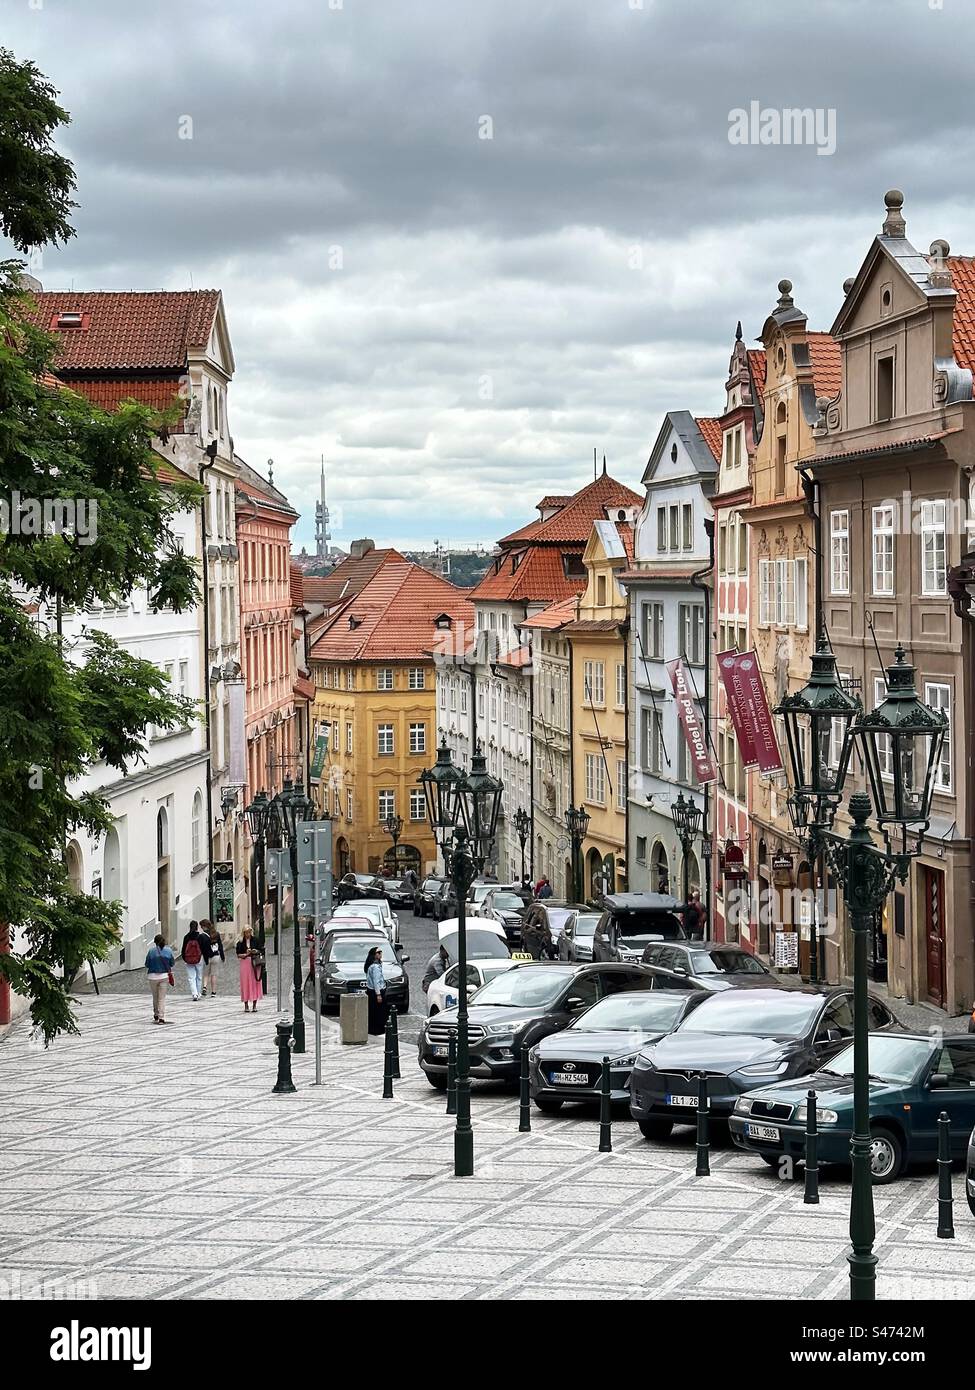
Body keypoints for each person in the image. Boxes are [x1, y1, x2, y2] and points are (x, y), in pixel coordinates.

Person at [145, 933, 175, 1025]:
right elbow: (172, 963)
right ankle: (161, 1017)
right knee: (162, 998)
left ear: (155, 942)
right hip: (164, 976)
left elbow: (147, 964)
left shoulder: (151, 951)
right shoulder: (169, 951)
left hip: (152, 976)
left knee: (155, 997)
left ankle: (156, 1014)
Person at [236, 926, 262, 1013]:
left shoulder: (255, 940)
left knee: (255, 982)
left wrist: (255, 951)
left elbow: (261, 950)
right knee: (245, 983)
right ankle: (246, 1005)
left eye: (249, 932)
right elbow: (238, 954)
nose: (248, 934)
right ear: (243, 933)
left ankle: (254, 1005)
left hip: (254, 963)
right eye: (246, 932)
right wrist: (245, 954)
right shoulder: (240, 942)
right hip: (245, 963)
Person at [364, 945, 388, 1035]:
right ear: (374, 955)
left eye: (380, 952)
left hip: (371, 991)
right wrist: (378, 994)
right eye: (378, 952)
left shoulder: (371, 966)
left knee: (373, 1011)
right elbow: (376, 981)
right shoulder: (375, 967)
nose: (380, 954)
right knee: (379, 1012)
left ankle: (372, 1029)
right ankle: (378, 1029)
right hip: (377, 992)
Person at [180, 920, 206, 1000]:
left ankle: (194, 994)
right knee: (199, 976)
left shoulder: (186, 937)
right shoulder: (200, 936)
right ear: (197, 927)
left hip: (189, 959)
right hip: (199, 958)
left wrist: (185, 958)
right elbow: (203, 948)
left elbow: (183, 949)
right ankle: (198, 993)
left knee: (191, 977)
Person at [200, 919, 224, 997]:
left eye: (201, 926)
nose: (201, 928)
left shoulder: (202, 936)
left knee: (206, 973)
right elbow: (220, 946)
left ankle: (204, 987)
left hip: (207, 956)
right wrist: (222, 956)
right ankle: (213, 992)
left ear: (204, 926)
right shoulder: (216, 934)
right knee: (214, 974)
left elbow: (202, 948)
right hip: (216, 956)